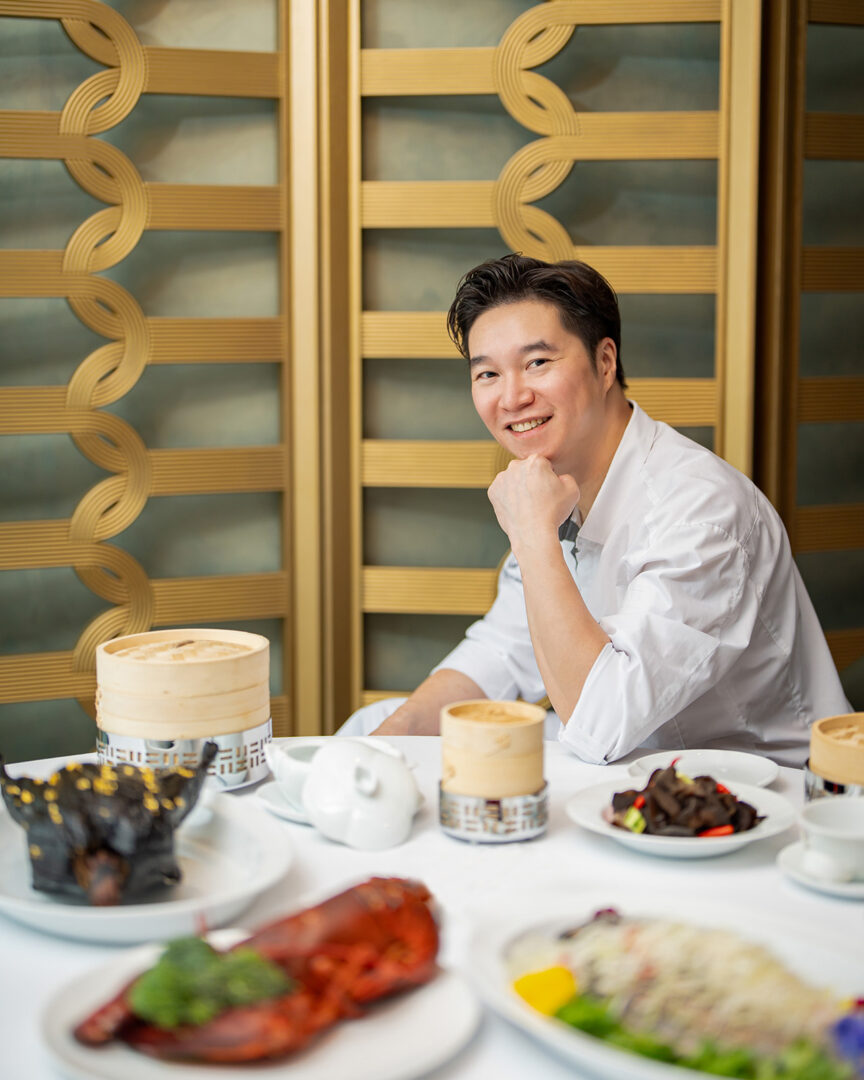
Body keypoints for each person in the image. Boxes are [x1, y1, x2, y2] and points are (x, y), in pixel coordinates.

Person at [338, 254, 850, 766]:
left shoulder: (701, 509)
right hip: (642, 762)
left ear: (605, 363)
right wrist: (393, 737)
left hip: (762, 784)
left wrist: (532, 534)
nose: (512, 397)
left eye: (537, 363)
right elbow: (501, 652)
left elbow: (599, 725)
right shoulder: (557, 488)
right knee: (377, 726)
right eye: (488, 373)